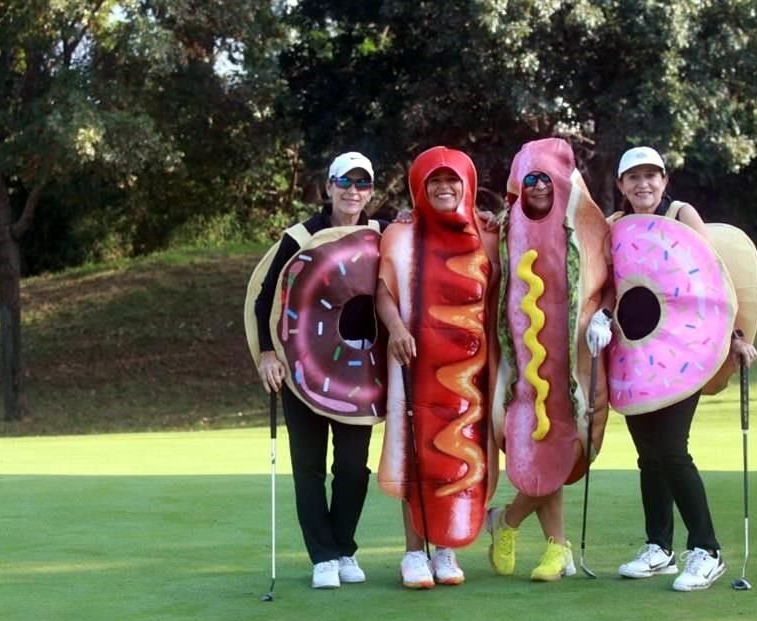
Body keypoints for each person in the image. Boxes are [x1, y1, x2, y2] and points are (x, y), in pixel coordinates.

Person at [611, 146, 757, 591]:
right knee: (648, 458)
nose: (643, 184)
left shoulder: (681, 214)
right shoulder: (615, 227)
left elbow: (712, 281)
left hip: (682, 354)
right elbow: (600, 283)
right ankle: (659, 547)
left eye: (651, 176)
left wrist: (735, 338)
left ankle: (707, 550)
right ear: (621, 185)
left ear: (664, 180)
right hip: (633, 356)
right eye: (633, 177)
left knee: (672, 452)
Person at [253, 151, 388, 589]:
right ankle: (323, 556)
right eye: (344, 182)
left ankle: (344, 547)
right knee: (308, 466)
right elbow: (264, 298)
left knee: (352, 467)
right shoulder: (299, 236)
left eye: (362, 183)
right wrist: (267, 355)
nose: (353, 191)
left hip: (359, 374)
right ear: (328, 186)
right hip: (301, 367)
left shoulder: (382, 234)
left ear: (370, 190)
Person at [485, 138, 613, 582]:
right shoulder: (501, 229)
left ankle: (508, 520)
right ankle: (557, 549)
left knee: (568, 445)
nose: (538, 186)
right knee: (537, 447)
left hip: (574, 367)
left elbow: (611, 276)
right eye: (530, 178)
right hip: (520, 368)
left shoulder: (585, 226)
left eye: (545, 177)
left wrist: (605, 316)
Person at [376, 146, 499, 589]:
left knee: (462, 455)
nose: (444, 188)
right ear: (419, 187)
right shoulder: (401, 234)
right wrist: (395, 329)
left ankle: (446, 549)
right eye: (434, 181)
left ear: (467, 185)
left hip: (472, 374)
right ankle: (413, 552)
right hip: (416, 365)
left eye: (453, 180)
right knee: (415, 452)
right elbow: (385, 291)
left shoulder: (487, 235)